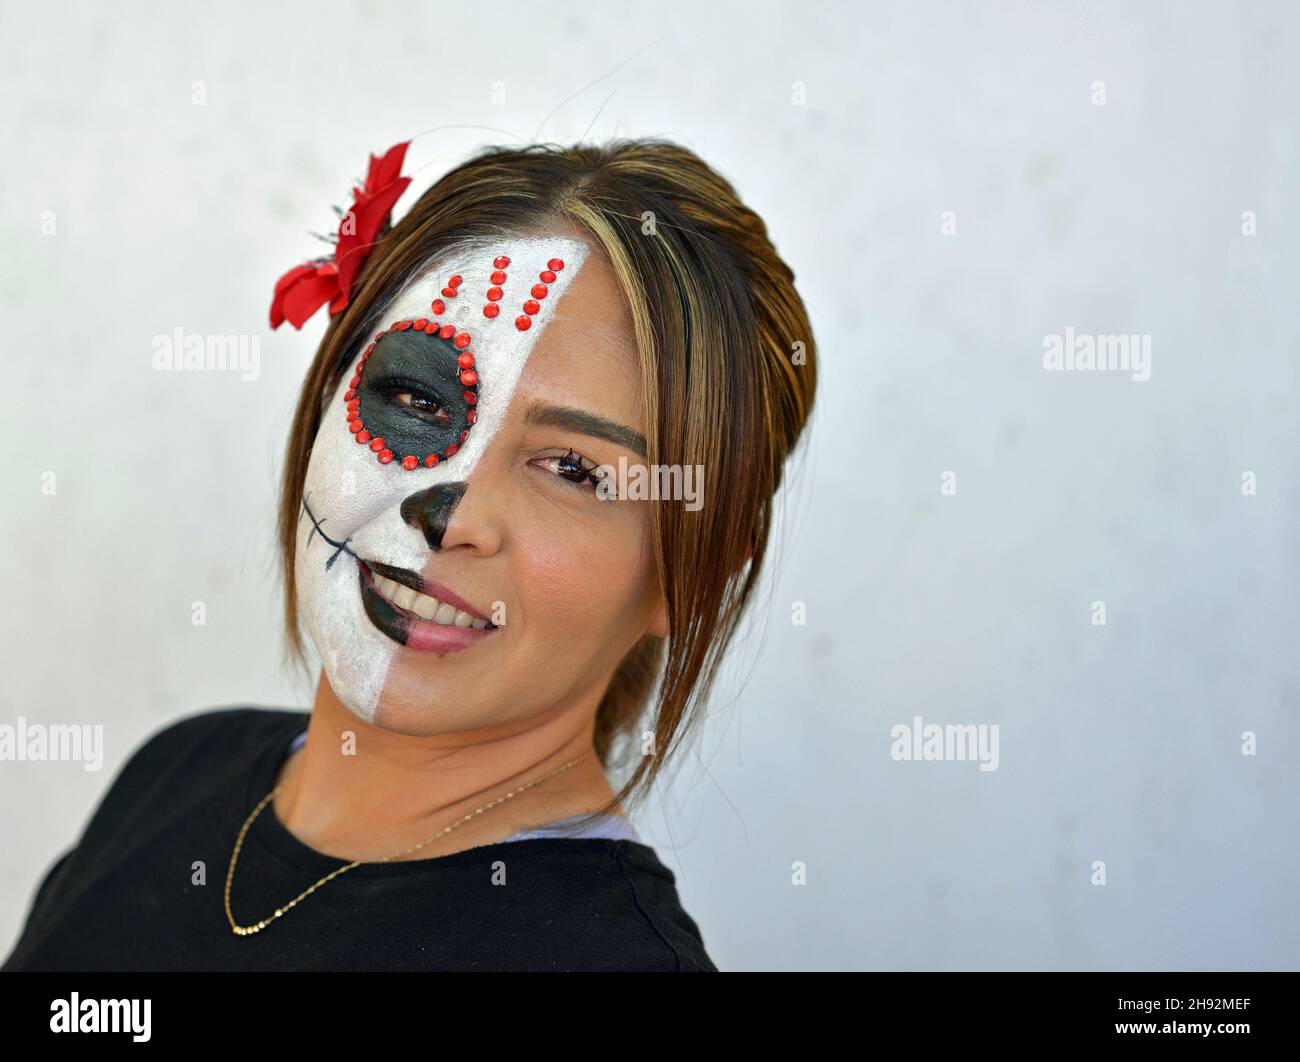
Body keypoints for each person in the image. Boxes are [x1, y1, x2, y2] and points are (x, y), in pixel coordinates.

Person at [3, 137, 817, 971]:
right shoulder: (176, 775)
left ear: (695, 580)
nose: (451, 515)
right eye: (418, 396)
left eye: (576, 470)